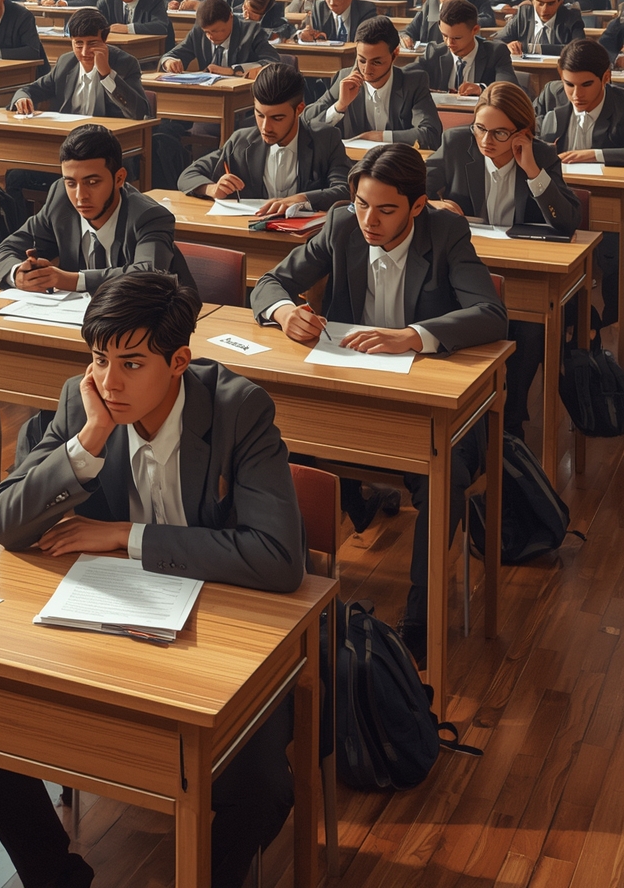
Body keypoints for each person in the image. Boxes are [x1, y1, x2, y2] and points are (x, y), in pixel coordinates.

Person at [0, 270, 304, 888]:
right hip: (110, 628)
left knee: (257, 785)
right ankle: (53, 872)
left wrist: (123, 536)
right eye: (100, 359)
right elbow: (6, 522)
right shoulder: (83, 402)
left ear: (179, 361)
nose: (110, 381)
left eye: (131, 363)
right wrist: (89, 440)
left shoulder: (239, 409)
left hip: (226, 634)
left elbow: (276, 557)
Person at [250, 143, 506, 664]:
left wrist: (413, 335)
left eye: (386, 209)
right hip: (348, 395)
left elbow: (490, 313)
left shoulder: (447, 232)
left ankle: (419, 616)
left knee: (445, 472)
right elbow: (272, 281)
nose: (370, 219)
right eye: (363, 203)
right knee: (272, 442)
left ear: (417, 206)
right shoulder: (342, 224)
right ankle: (283, 605)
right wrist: (281, 312)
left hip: (429, 404)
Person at [426, 82, 579, 437]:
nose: (486, 140)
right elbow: (408, 189)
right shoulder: (456, 143)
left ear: (522, 132)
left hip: (521, 264)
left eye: (499, 132)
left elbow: (568, 220)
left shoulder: (540, 155)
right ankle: (466, 411)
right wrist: (434, 204)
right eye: (480, 128)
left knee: (528, 326)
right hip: (465, 263)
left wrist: (533, 172)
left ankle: (511, 419)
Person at [0, 126, 194, 292]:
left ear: (119, 178)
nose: (80, 196)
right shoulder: (60, 199)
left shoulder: (149, 216)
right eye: (71, 183)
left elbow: (149, 276)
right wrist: (19, 274)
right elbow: (5, 250)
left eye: (92, 182)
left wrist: (70, 280)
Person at [178, 63, 350, 216]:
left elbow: (345, 189)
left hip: (309, 241)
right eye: (259, 115)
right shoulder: (241, 142)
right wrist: (212, 189)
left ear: (299, 109)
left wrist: (302, 198)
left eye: (277, 118)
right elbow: (188, 176)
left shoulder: (326, 139)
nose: (265, 127)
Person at [538, 38, 624, 323]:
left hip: (610, 198)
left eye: (586, 85)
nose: (575, 94)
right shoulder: (551, 94)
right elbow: (526, 131)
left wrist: (595, 154)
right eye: (569, 84)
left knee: (613, 255)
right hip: (557, 196)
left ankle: (611, 321)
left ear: (606, 77)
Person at [303, 15, 442, 148]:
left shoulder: (413, 83)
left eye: (376, 62)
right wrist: (339, 106)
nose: (366, 69)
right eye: (361, 60)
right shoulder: (344, 78)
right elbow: (305, 123)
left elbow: (431, 135)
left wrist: (380, 137)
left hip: (398, 166)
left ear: (395, 54)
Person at [10, 9, 149, 119]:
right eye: (78, 43)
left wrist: (107, 74)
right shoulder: (66, 63)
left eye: (92, 43)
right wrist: (23, 98)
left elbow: (140, 112)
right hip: (68, 137)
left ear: (104, 41)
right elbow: (28, 90)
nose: (84, 52)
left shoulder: (125, 63)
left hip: (107, 141)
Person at [410, 0, 518, 93]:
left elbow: (508, 89)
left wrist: (481, 89)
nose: (449, 43)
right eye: (445, 36)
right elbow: (404, 75)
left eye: (456, 38)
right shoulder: (434, 52)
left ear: (475, 30)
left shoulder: (496, 53)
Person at [160, 0, 276, 77]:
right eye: (207, 32)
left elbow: (273, 62)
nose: (210, 36)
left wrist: (232, 70)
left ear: (230, 18)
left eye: (216, 31)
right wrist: (169, 62)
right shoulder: (198, 32)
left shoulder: (251, 31)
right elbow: (170, 55)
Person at [493, 0, 586, 55]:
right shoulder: (524, 14)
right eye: (540, 3)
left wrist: (536, 49)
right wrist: (508, 46)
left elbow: (579, 50)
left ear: (560, 2)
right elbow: (496, 40)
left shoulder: (572, 18)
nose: (544, 10)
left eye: (550, 4)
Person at [400, 0, 469, 49]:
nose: (446, 0)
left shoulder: (470, 5)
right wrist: (405, 37)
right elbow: (409, 31)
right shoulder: (431, 3)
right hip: (430, 56)